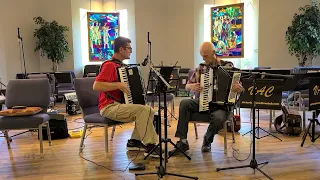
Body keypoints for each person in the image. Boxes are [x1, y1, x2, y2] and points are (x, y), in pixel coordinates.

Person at [169, 42, 244, 156]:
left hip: (223, 107)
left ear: (214, 53)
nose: (203, 58)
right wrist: (191, 87)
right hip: (204, 102)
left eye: (206, 56)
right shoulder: (201, 67)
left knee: (218, 117)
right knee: (184, 103)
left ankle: (207, 140)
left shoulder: (228, 66)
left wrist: (238, 89)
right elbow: (187, 86)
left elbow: (240, 88)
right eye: (202, 56)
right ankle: (183, 142)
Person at [93, 36, 161, 158]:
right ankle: (150, 145)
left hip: (119, 105)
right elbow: (96, 86)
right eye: (129, 48)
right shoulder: (109, 65)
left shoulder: (122, 66)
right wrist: (117, 85)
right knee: (143, 110)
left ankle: (134, 141)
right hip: (108, 107)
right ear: (121, 49)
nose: (131, 51)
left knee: (149, 109)